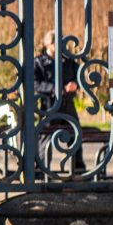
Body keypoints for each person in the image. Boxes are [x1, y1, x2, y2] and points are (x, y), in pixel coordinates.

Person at [31, 29, 86, 175]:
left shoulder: (68, 61)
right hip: (48, 106)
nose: (60, 46)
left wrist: (75, 84)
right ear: (48, 44)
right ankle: (41, 170)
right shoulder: (38, 62)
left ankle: (78, 169)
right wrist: (55, 89)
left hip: (68, 105)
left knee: (75, 135)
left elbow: (80, 76)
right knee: (44, 138)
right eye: (57, 43)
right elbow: (34, 83)